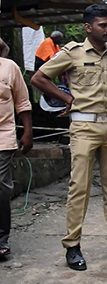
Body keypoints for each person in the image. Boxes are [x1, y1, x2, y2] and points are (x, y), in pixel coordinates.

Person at [32, 4, 107, 270]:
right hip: (84, 128)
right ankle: (73, 246)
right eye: (102, 25)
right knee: (79, 187)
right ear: (88, 28)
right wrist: (66, 97)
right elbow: (39, 78)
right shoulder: (73, 53)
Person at [0, 56, 33, 260]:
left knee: (1, 186)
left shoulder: (9, 67)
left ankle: (1, 237)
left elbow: (22, 101)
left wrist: (28, 132)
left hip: (2, 136)